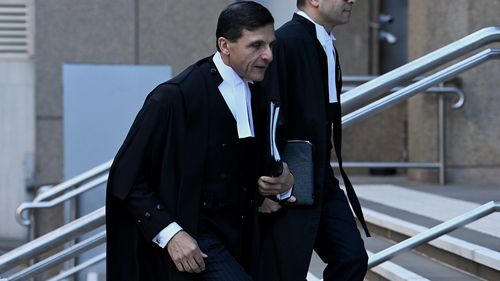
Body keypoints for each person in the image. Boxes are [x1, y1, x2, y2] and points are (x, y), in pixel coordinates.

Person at [105, 2, 294, 281]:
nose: (268, 55)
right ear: (225, 45)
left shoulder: (260, 95)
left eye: (270, 45)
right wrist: (170, 234)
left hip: (247, 241)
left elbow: (254, 169)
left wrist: (281, 185)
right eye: (256, 46)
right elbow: (127, 178)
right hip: (197, 242)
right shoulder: (173, 98)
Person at [258, 0, 370, 280]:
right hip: (287, 180)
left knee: (351, 256)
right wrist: (265, 184)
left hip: (319, 176)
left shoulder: (324, 42)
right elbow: (266, 114)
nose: (351, 0)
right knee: (286, 269)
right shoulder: (285, 42)